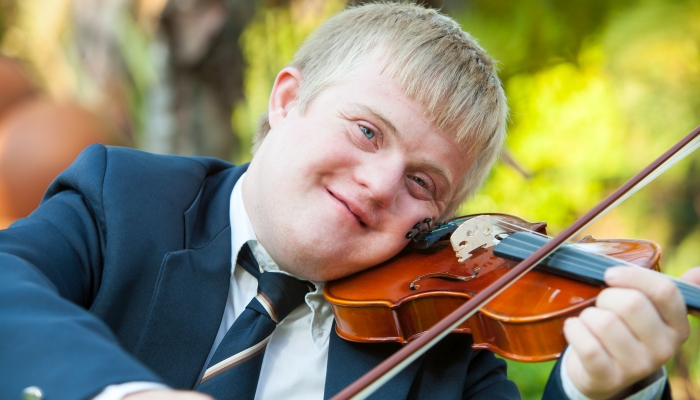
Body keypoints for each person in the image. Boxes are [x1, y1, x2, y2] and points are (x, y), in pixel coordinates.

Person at [0, 3, 694, 400]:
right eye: (366, 131)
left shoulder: (438, 351)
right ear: (288, 100)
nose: (380, 182)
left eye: (424, 182)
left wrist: (607, 388)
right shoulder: (123, 199)